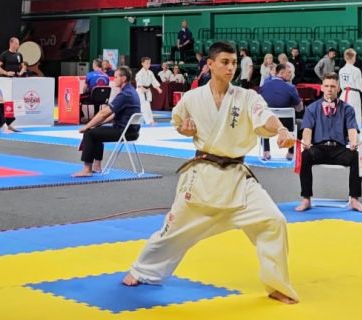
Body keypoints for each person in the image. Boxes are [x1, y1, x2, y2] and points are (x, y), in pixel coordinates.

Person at [122, 41, 299, 305]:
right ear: (210, 65)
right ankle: (142, 271)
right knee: (172, 231)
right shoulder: (193, 98)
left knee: (273, 221)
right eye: (225, 62)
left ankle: (277, 285)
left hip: (237, 177)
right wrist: (186, 129)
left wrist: (282, 130)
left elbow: (264, 115)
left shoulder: (247, 97)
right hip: (202, 176)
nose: (231, 68)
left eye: (234, 63)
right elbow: (179, 122)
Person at [296, 73, 362, 213]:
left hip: (339, 149)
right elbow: (307, 129)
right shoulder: (312, 108)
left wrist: (354, 142)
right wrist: (307, 142)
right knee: (305, 155)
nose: (329, 89)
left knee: (355, 157)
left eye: (333, 86)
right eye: (327, 86)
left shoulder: (347, 109)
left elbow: (352, 129)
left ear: (338, 88)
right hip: (318, 148)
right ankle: (306, 199)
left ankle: (354, 199)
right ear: (322, 87)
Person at [73, 65, 141, 177]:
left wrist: (87, 126)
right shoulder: (131, 91)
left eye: (116, 77)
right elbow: (113, 115)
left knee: (89, 134)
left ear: (123, 78)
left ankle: (87, 169)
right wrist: (96, 124)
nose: (114, 79)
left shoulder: (125, 94)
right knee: (96, 130)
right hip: (132, 131)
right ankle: (97, 166)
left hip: (124, 131)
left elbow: (104, 113)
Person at [260, 63, 303, 161]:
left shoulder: (265, 85)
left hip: (268, 124)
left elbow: (260, 103)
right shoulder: (290, 87)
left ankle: (266, 151)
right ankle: (291, 152)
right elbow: (299, 108)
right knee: (298, 122)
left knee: (264, 118)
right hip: (286, 125)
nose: (291, 75)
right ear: (282, 72)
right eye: (289, 72)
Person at [338, 48, 362, 131]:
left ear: (345, 58)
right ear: (354, 57)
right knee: (356, 113)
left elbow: (341, 85)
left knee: (343, 113)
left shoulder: (341, 70)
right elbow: (360, 86)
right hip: (353, 94)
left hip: (343, 94)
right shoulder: (356, 70)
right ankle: (356, 133)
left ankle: (342, 132)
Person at [135, 57, 162, 125]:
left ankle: (151, 120)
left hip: (147, 90)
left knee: (148, 106)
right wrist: (143, 89)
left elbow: (153, 81)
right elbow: (139, 84)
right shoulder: (139, 73)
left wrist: (158, 88)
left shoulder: (150, 72)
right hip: (141, 91)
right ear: (142, 64)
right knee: (144, 107)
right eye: (147, 63)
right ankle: (148, 121)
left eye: (149, 63)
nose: (148, 65)